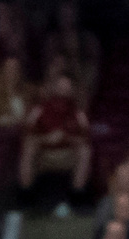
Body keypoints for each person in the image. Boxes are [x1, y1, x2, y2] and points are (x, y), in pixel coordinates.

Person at [18, 72, 92, 202]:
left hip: (67, 154)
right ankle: (26, 194)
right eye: (61, 87)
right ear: (54, 88)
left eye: (67, 88)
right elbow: (27, 135)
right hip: (44, 155)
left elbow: (85, 139)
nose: (63, 91)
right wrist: (46, 138)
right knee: (28, 147)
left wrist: (66, 138)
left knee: (85, 151)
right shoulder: (39, 110)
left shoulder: (78, 113)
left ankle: (77, 195)